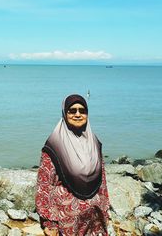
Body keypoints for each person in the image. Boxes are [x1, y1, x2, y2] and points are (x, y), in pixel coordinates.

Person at [35, 94, 110, 236]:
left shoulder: (94, 143)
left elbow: (102, 180)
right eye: (72, 110)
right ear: (64, 113)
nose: (77, 114)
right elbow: (44, 185)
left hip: (94, 216)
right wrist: (49, 222)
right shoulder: (54, 146)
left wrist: (105, 209)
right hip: (67, 218)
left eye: (82, 111)